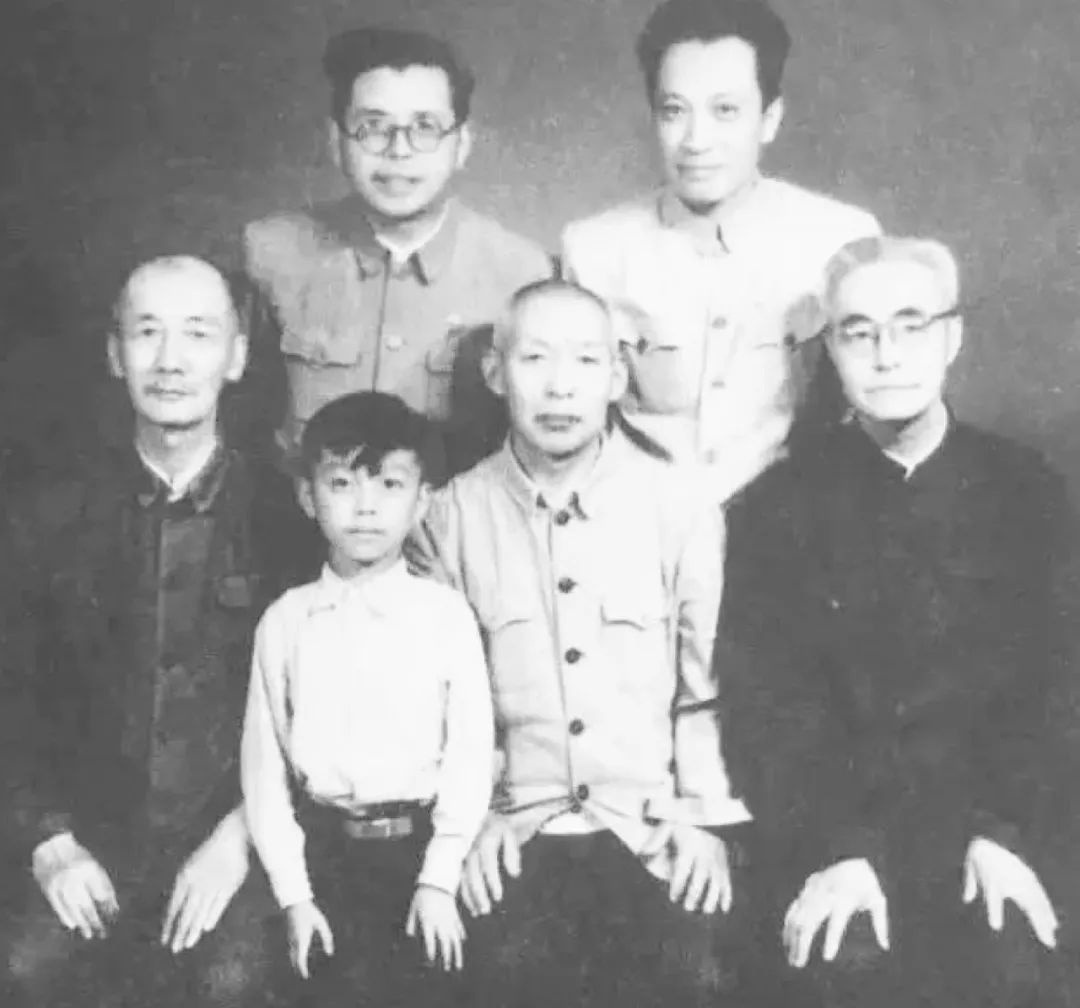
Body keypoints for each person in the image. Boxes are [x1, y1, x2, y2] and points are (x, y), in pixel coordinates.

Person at [718, 235, 1074, 1006]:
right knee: (839, 962)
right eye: (859, 333)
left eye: (911, 326)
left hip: (996, 826)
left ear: (953, 336)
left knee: (1019, 957)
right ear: (832, 351)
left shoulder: (1028, 492)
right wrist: (841, 848)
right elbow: (766, 712)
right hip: (838, 837)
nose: (887, 355)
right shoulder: (774, 510)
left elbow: (1055, 693)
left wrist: (1004, 832)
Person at [415, 278, 749, 1007]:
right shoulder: (448, 518)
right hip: (514, 827)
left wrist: (700, 816)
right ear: (495, 372)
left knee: (698, 972)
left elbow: (705, 687)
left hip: (650, 827)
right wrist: (473, 818)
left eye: (586, 361)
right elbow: (442, 706)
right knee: (493, 970)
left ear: (618, 377)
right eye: (535, 359)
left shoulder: (680, 506)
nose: (560, 387)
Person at [3, 256, 311, 1007]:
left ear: (236, 356)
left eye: (198, 334)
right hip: (87, 843)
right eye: (147, 333)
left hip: (234, 840)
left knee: (233, 982)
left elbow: (323, 714)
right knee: (24, 970)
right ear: (116, 354)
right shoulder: (44, 516)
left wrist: (243, 837)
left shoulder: (289, 518)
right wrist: (47, 841)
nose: (170, 361)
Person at [562, 0, 880, 502]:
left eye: (725, 111)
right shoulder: (594, 250)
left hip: (794, 523)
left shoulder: (840, 238)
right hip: (641, 526)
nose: (696, 140)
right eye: (674, 111)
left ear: (770, 118)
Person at [241, 391, 494, 1007]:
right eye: (341, 483)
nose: (365, 507)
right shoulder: (286, 621)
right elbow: (264, 770)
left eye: (389, 485)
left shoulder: (445, 616)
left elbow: (470, 755)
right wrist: (295, 896)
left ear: (421, 501)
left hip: (420, 855)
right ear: (308, 497)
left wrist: (439, 880)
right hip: (321, 858)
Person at [243, 26, 551, 475]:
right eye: (373, 127)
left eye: (425, 127)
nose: (399, 150)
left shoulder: (520, 273)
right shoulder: (270, 254)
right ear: (336, 142)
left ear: (462, 145)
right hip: (298, 516)